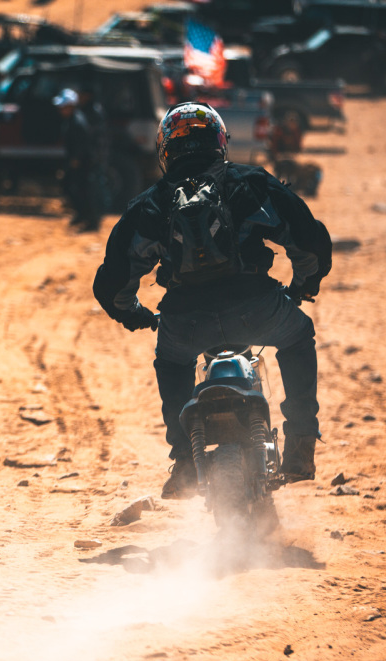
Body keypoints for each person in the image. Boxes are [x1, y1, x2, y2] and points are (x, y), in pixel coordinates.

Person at [92, 103, 332, 498]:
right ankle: (302, 441)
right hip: (256, 308)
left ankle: (184, 458)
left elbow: (113, 284)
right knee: (297, 336)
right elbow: (309, 239)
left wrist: (134, 314)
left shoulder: (149, 205)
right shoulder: (250, 183)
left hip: (185, 322)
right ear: (220, 141)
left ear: (166, 151)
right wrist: (305, 284)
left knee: (171, 361)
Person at [57, 86, 108, 232]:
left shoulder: (77, 121)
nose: (61, 110)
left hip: (84, 163)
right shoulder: (72, 120)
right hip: (80, 162)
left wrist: (76, 160)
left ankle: (91, 221)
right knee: (76, 189)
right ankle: (82, 216)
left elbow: (82, 143)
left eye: (63, 107)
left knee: (86, 191)